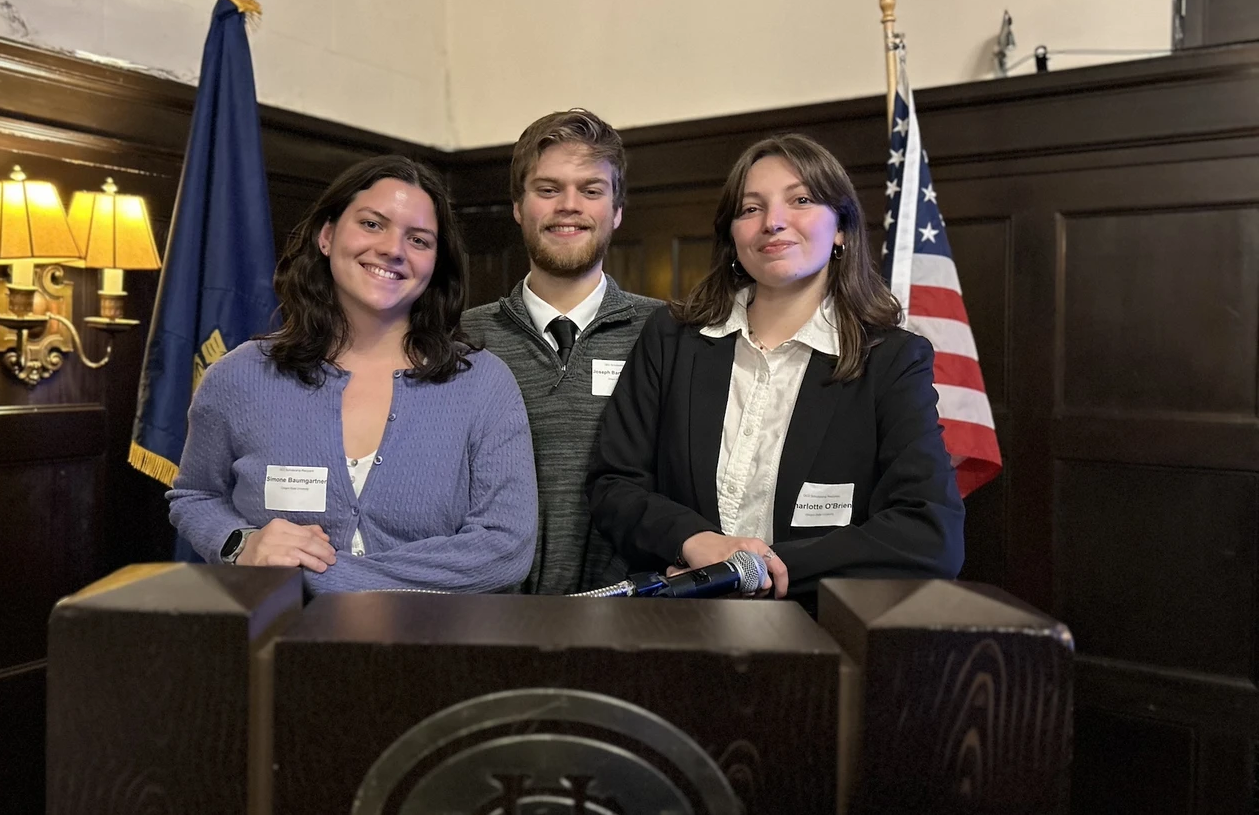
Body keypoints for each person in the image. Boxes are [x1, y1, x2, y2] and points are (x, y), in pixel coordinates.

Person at [586, 133, 964, 609]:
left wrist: (749, 571)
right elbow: (614, 486)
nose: (773, 222)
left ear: (842, 228)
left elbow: (929, 534)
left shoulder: (891, 360)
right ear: (732, 237)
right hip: (676, 627)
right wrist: (695, 542)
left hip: (820, 638)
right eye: (750, 209)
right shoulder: (671, 338)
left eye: (801, 200)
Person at [169, 155, 537, 594]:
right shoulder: (239, 377)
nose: (393, 249)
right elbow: (195, 497)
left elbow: (505, 549)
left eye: (419, 240)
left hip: (441, 651)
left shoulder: (483, 384)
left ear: (436, 263)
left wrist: (323, 578)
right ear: (327, 235)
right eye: (372, 224)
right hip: (281, 647)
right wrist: (239, 543)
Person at [462, 109, 662, 594]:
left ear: (616, 210)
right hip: (489, 613)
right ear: (518, 206)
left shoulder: (666, 332)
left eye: (591, 190)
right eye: (547, 190)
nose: (568, 206)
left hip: (630, 610)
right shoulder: (462, 336)